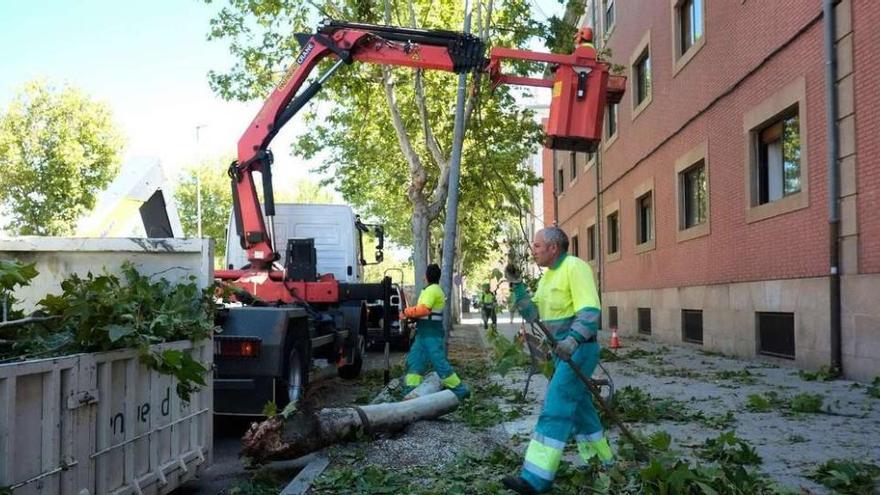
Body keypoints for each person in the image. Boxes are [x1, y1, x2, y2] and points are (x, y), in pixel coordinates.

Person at [502, 227, 612, 494]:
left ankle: (535, 479)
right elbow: (532, 314)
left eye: (538, 246)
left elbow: (590, 310)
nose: (534, 251)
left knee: (555, 405)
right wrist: (517, 287)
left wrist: (572, 340)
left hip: (579, 350)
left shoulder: (575, 267)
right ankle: (603, 463)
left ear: (553, 248)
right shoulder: (548, 277)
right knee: (581, 409)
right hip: (562, 352)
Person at [400, 264, 470, 400]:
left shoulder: (432, 290)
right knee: (414, 362)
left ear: (426, 276)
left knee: (440, 364)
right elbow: (424, 312)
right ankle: (410, 392)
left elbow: (424, 310)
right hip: (423, 334)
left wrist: (406, 312)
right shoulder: (430, 290)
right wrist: (412, 316)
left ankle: (460, 391)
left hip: (431, 334)